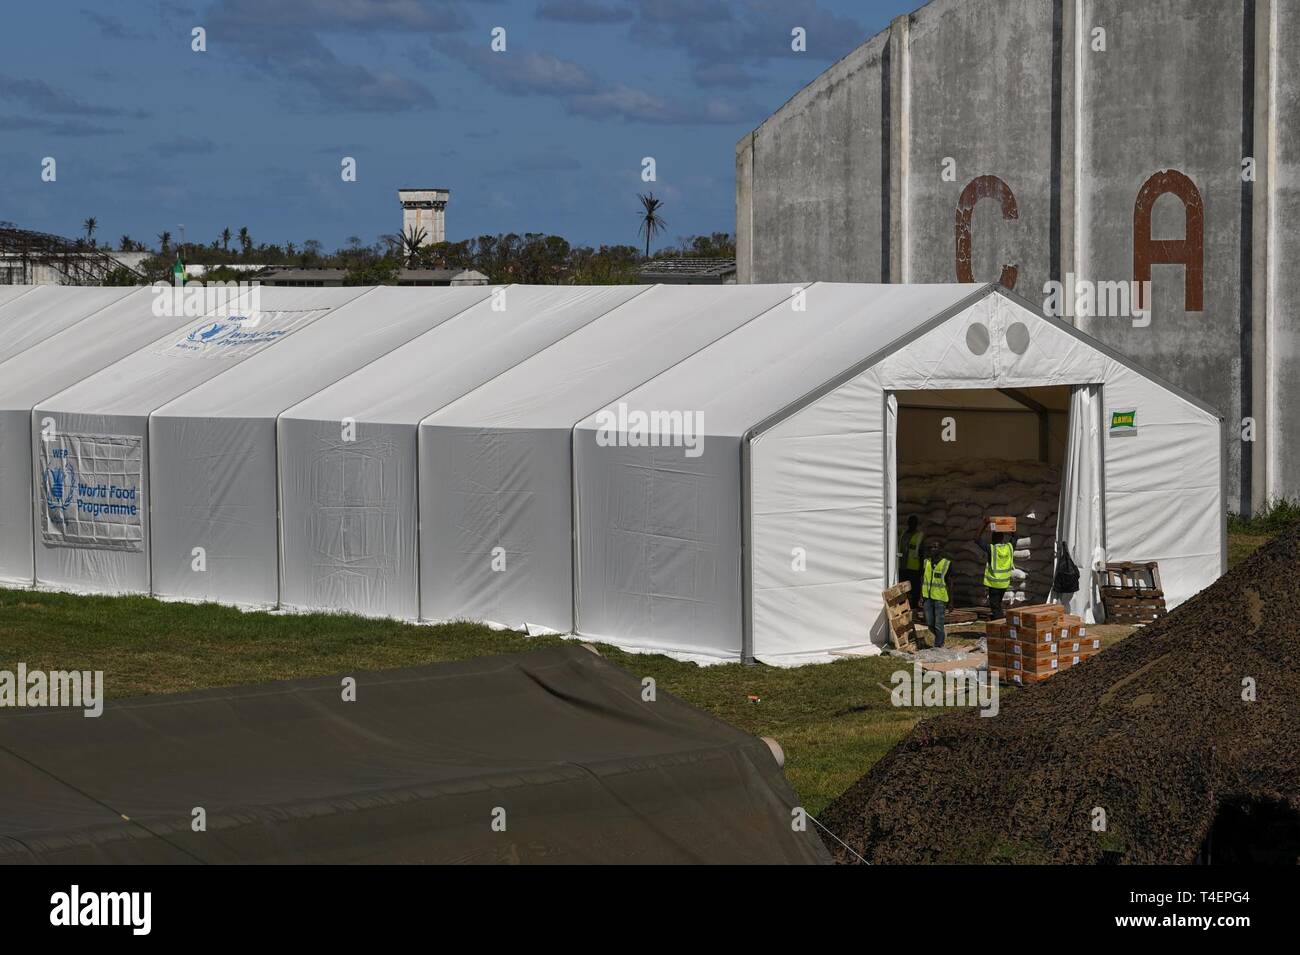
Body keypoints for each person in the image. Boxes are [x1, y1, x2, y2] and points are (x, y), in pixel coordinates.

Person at [977, 519, 1015, 620]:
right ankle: (999, 623)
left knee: (995, 606)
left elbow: (976, 539)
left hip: (994, 584)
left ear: (993, 539)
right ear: (1003, 538)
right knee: (997, 605)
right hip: (1004, 583)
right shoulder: (1009, 547)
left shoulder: (991, 549)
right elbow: (1015, 536)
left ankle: (1000, 625)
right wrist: (1007, 523)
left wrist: (984, 523)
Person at [921, 539, 951, 648]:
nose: (932, 549)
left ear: (941, 549)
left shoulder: (946, 564)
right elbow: (922, 578)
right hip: (927, 597)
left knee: (938, 624)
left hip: (940, 598)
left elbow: (950, 583)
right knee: (929, 623)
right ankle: (941, 636)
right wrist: (921, 596)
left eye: (935, 547)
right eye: (931, 547)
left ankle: (938, 645)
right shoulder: (926, 562)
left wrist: (951, 602)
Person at [898, 515, 925, 609]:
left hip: (914, 568)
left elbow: (921, 552)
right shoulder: (903, 534)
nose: (912, 524)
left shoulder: (919, 535)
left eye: (914, 522)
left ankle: (914, 607)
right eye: (910, 522)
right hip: (902, 566)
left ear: (916, 524)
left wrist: (921, 568)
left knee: (914, 589)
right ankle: (904, 607)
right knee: (903, 589)